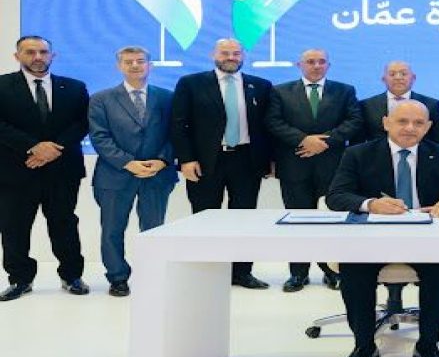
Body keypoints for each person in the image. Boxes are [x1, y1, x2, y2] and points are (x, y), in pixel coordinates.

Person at [325, 99, 439, 357]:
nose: (410, 128)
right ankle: (363, 347)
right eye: (402, 121)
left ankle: (428, 346)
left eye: (418, 123)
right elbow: (336, 196)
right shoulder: (358, 153)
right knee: (354, 269)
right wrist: (370, 204)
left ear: (428, 127)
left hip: (426, 239)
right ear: (386, 123)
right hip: (373, 239)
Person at [169, 38, 274, 289]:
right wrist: (186, 159)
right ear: (213, 55)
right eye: (225, 53)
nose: (231, 57)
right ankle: (207, 273)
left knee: (244, 220)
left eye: (236, 53)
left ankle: (241, 272)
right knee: (204, 219)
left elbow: (268, 127)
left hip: (246, 161)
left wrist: (270, 160)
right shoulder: (191, 83)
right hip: (206, 162)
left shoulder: (260, 85)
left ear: (243, 56)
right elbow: (178, 124)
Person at [0, 36, 89, 301]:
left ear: (52, 55)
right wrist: (33, 147)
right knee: (14, 227)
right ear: (17, 56)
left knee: (64, 224)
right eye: (30, 52)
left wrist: (53, 149)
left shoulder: (74, 87)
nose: (37, 57)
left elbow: (83, 123)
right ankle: (20, 279)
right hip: (15, 171)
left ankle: (71, 276)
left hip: (63, 170)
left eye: (43, 51)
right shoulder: (2, 86)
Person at [266, 49, 363, 292]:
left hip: (333, 168)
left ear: (328, 65)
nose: (316, 66)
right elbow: (273, 122)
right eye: (311, 62)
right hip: (294, 165)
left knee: (332, 221)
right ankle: (298, 274)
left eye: (321, 62)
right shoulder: (280, 91)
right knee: (298, 221)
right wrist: (303, 140)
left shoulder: (345, 90)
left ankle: (332, 272)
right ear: (299, 64)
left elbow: (354, 121)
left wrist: (323, 142)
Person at [88, 46, 177, 297]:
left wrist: (162, 160)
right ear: (119, 66)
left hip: (157, 174)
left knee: (154, 229)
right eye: (129, 62)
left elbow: (176, 134)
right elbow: (100, 137)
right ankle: (117, 277)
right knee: (112, 230)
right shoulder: (101, 99)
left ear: (150, 65)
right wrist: (128, 163)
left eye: (140, 61)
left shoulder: (167, 97)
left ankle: (152, 275)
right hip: (114, 175)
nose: (135, 65)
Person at [354, 61, 439, 145]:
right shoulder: (367, 105)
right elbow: (357, 141)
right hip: (377, 157)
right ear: (383, 79)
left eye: (404, 74)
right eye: (392, 74)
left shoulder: (431, 105)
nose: (398, 78)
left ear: (413, 78)